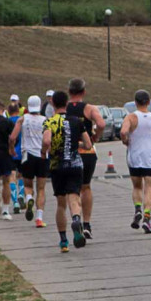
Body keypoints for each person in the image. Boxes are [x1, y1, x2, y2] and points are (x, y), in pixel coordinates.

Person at [43, 90, 92, 252]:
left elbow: (47, 140)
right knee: (74, 197)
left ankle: (63, 241)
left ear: (53, 104)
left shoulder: (50, 122)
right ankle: (77, 219)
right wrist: (75, 146)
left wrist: (45, 151)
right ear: (66, 104)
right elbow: (88, 145)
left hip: (57, 166)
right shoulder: (77, 121)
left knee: (60, 204)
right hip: (75, 164)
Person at [66, 78, 107, 240]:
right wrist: (95, 136)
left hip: (69, 153)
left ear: (69, 92)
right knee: (86, 187)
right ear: (83, 92)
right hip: (87, 152)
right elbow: (102, 124)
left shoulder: (64, 109)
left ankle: (76, 219)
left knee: (72, 191)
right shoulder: (89, 109)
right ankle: (87, 223)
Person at [120, 90, 151, 234]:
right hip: (149, 157)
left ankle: (138, 208)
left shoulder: (131, 117)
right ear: (149, 102)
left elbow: (123, 132)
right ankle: (146, 217)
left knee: (137, 186)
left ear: (135, 102)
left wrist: (125, 140)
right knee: (150, 188)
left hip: (134, 156)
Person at [10, 96, 49, 227]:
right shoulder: (45, 120)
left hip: (27, 155)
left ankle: (29, 198)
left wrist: (12, 149)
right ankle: (39, 218)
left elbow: (12, 137)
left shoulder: (22, 119)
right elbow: (49, 139)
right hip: (42, 155)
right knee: (41, 188)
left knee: (28, 185)